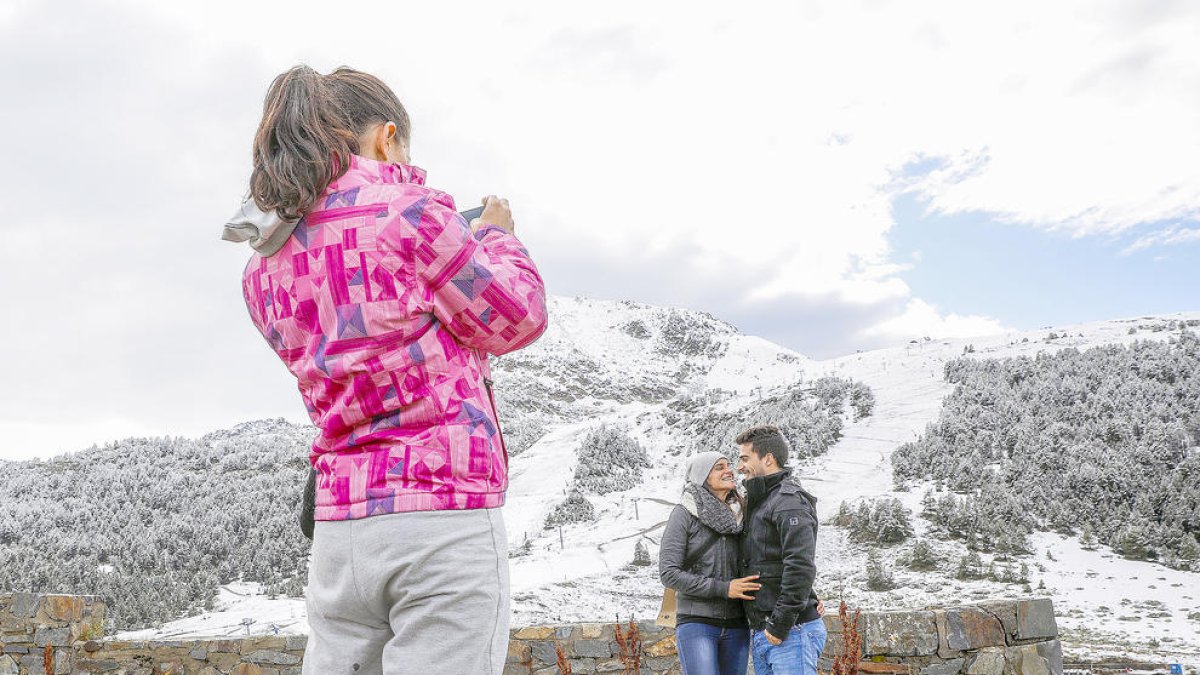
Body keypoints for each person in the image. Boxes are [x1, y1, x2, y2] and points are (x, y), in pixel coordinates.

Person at [223, 65, 548, 675]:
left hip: (340, 527)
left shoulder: (261, 261)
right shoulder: (410, 213)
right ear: (387, 138)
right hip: (439, 517)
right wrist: (497, 239)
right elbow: (517, 319)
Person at [659, 451, 761, 675]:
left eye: (728, 465)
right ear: (702, 476)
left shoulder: (744, 513)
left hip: (738, 623)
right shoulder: (683, 513)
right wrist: (724, 589)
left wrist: (807, 598)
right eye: (719, 467)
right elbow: (669, 573)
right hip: (697, 622)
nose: (729, 470)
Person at [735, 425, 825, 675]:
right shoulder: (761, 500)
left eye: (745, 458)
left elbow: (800, 565)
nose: (740, 466)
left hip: (790, 631)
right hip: (768, 630)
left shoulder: (788, 501)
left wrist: (780, 625)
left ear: (768, 458)